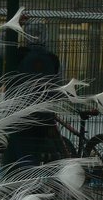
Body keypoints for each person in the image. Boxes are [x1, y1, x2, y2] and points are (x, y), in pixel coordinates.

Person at [4, 20, 62, 167]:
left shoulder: (18, 55)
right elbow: (59, 86)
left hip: (21, 114)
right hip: (45, 115)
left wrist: (13, 25)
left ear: (26, 35)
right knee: (37, 150)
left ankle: (29, 183)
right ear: (46, 36)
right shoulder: (53, 59)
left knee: (23, 153)